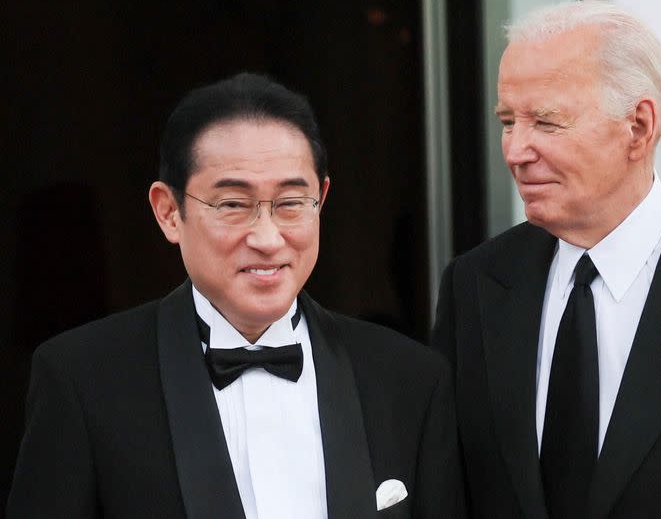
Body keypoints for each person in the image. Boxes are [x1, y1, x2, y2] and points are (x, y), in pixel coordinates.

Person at [8, 73, 464, 519]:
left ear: (321, 201)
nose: (267, 238)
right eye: (232, 205)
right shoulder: (82, 380)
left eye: (289, 203)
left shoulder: (408, 379)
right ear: (169, 212)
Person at [432, 0, 661, 518]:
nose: (515, 150)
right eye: (508, 121)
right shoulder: (476, 284)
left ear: (638, 127)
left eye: (546, 122)